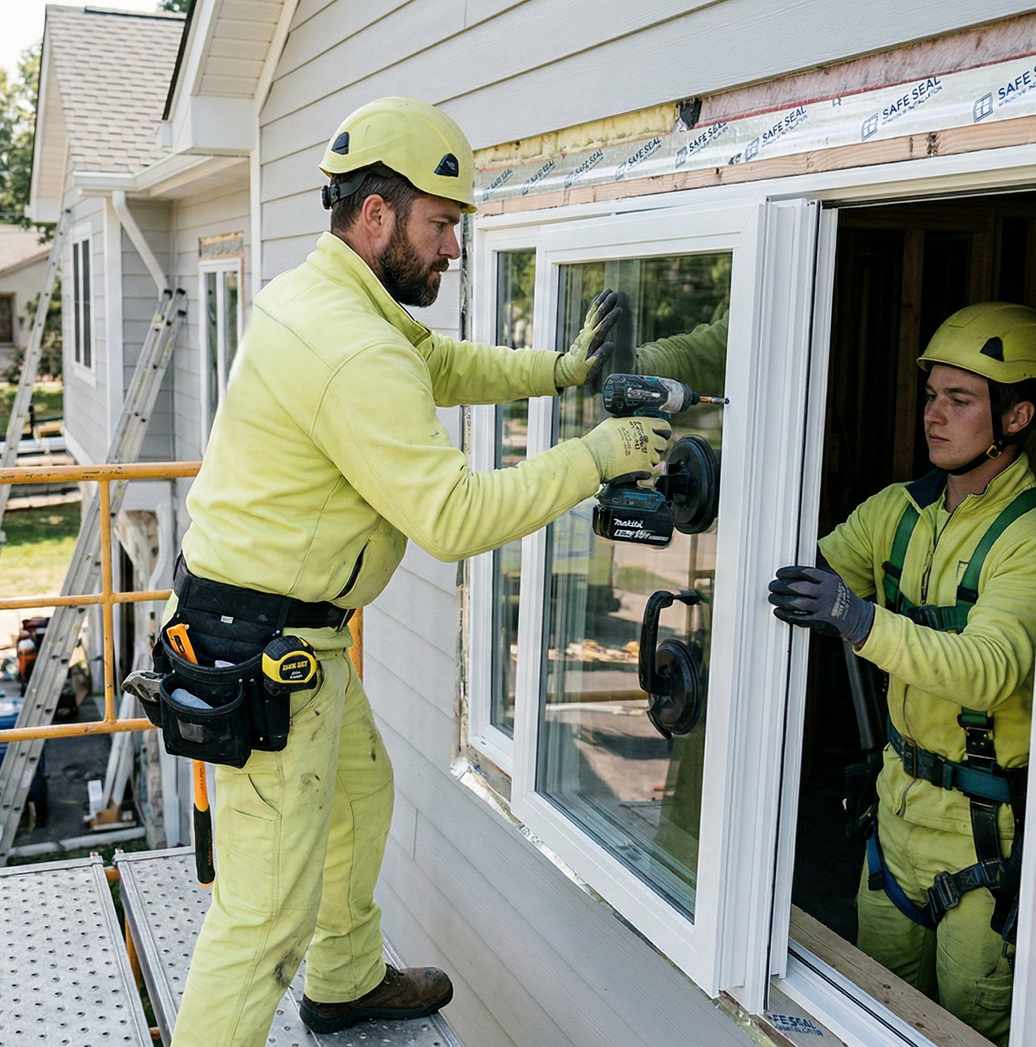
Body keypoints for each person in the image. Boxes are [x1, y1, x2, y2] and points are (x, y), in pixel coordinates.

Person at [165, 97, 669, 1047]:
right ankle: (300, 982)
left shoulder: (332, 298)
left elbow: (436, 360)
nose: (453, 248)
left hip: (277, 632)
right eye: (442, 225)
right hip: (266, 648)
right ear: (378, 216)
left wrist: (557, 371)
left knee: (357, 792)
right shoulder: (351, 346)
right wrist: (598, 455)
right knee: (259, 922)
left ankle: (346, 980)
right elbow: (454, 517)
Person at [765, 301, 1036, 1046]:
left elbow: (989, 670)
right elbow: (811, 573)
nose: (935, 415)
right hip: (894, 820)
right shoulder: (900, 510)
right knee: (872, 1014)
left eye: (961, 401)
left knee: (965, 1028)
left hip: (982, 840)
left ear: (1017, 416)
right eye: (932, 396)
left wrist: (857, 620)